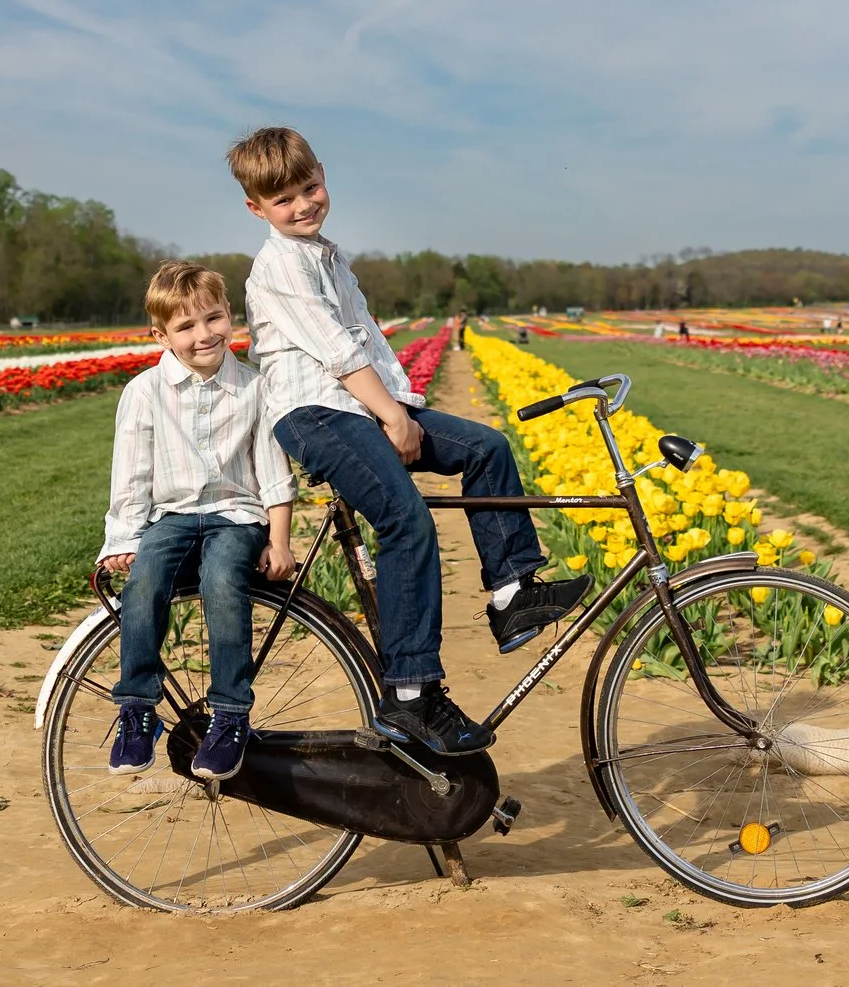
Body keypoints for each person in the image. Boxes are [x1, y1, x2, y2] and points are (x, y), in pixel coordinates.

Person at [231, 127, 589, 757]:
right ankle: (410, 695)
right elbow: (337, 352)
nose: (304, 204)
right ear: (256, 209)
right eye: (284, 200)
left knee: (486, 448)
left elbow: (367, 337)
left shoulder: (328, 256)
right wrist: (393, 417)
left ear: (323, 175)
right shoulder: (281, 265)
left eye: (310, 188)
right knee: (406, 521)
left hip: (359, 406)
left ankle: (512, 593)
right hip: (316, 412)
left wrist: (403, 409)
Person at [98, 261, 297, 783]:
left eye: (213, 318)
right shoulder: (144, 393)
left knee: (223, 582)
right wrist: (123, 538)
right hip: (174, 516)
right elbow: (132, 474)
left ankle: (231, 714)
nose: (203, 334)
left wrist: (279, 540)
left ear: (230, 316)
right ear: (160, 335)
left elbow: (272, 471)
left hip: (237, 516)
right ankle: (137, 708)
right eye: (185, 326)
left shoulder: (255, 389)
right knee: (143, 583)